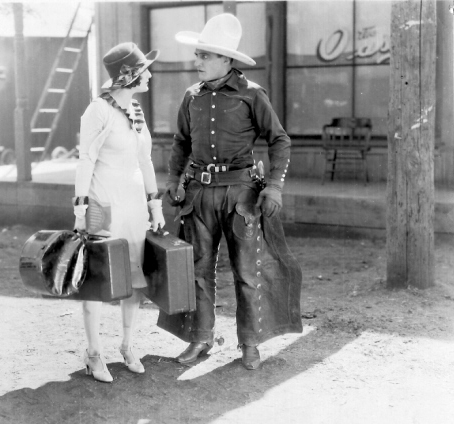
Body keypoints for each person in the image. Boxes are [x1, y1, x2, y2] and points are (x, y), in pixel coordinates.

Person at [164, 13, 303, 370]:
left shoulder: (252, 95)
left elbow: (280, 140)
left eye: (205, 56)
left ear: (226, 60)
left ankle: (250, 343)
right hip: (199, 195)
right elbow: (180, 142)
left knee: (246, 271)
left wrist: (274, 186)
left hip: (242, 196)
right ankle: (201, 338)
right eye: (197, 55)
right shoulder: (191, 97)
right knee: (198, 270)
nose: (197, 62)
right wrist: (174, 180)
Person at [73, 43, 165, 383]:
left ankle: (127, 345)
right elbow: (85, 160)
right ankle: (94, 353)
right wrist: (81, 209)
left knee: (134, 280)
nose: (150, 75)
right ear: (130, 75)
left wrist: (154, 205)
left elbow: (145, 160)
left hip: (134, 208)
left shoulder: (136, 110)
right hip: (103, 206)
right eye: (144, 70)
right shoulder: (97, 110)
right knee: (97, 281)